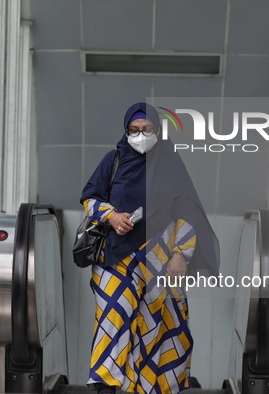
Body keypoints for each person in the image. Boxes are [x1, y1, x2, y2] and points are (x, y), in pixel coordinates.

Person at [80, 102, 219, 394]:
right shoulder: (113, 160)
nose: (141, 136)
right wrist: (112, 216)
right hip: (116, 257)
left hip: (161, 260)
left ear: (157, 130)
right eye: (134, 130)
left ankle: (149, 388)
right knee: (114, 316)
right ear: (126, 131)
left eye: (147, 130)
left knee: (158, 325)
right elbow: (90, 198)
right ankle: (106, 385)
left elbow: (187, 211)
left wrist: (182, 254)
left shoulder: (171, 164)